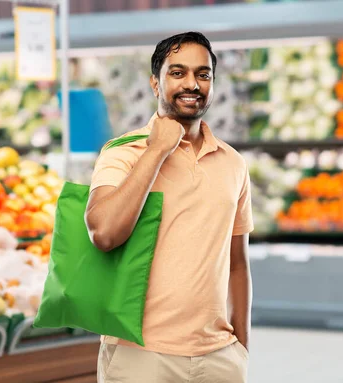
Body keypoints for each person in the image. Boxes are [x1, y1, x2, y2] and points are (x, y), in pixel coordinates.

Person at [85, 31, 253, 383]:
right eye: (178, 73)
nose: (191, 84)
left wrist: (241, 348)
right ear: (155, 84)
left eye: (202, 74)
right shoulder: (122, 153)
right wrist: (157, 149)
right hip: (140, 357)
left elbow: (237, 264)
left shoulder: (233, 163)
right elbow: (103, 232)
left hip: (220, 358)